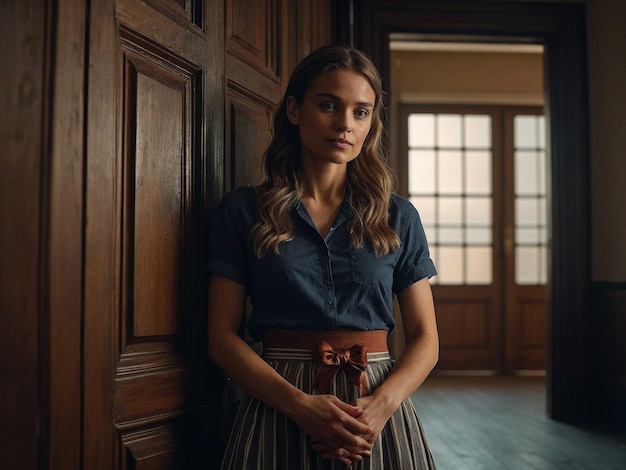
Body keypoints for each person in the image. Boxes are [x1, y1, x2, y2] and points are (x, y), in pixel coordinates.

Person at [207, 45, 438, 469]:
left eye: (361, 112)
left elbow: (426, 339)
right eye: (329, 105)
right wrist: (301, 406)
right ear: (294, 110)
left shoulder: (398, 216)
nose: (345, 124)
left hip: (376, 411)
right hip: (278, 401)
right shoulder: (243, 211)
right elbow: (221, 337)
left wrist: (378, 407)